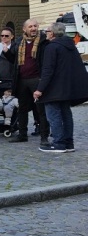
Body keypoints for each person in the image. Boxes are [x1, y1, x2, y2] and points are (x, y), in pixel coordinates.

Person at [35, 22, 88, 152]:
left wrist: (39, 89)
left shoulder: (52, 47)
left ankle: (58, 143)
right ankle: (69, 143)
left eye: (47, 31)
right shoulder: (70, 46)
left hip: (53, 88)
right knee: (66, 115)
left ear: (52, 33)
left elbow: (48, 70)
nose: (45, 34)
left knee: (54, 116)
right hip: (67, 88)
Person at [4, 18, 50, 145]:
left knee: (41, 110)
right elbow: (14, 60)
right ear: (24, 29)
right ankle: (22, 135)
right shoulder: (19, 42)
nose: (33, 28)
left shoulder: (43, 41)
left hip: (37, 79)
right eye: (30, 27)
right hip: (22, 80)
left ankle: (44, 137)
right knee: (22, 109)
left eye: (35, 26)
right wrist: (6, 52)